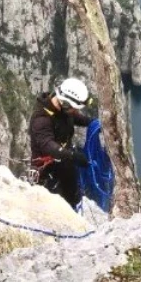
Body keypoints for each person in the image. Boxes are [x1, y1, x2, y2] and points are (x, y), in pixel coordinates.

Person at [29, 77, 93, 208]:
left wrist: (93, 123)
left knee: (73, 196)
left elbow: (74, 117)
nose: (75, 111)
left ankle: (74, 208)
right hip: (47, 170)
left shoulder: (62, 109)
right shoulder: (41, 119)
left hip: (64, 162)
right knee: (53, 206)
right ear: (65, 104)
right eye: (74, 108)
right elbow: (48, 146)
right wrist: (73, 156)